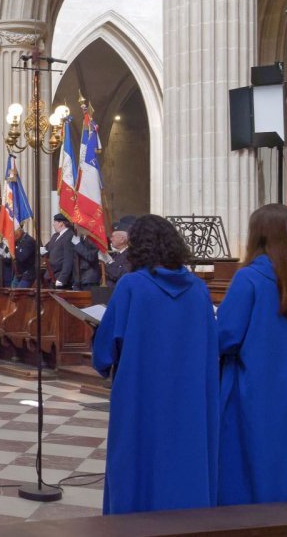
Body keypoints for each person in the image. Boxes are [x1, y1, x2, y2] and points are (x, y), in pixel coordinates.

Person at [92, 214, 218, 515]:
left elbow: (106, 349)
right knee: (184, 459)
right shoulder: (199, 290)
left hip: (140, 394)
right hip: (189, 394)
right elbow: (212, 342)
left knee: (136, 460)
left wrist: (102, 356)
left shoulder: (132, 286)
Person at [217, 203, 287, 506]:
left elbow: (225, 336)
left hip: (254, 388)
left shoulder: (248, 279)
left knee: (248, 462)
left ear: (257, 236)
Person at [43, 214, 77, 289]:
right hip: (50, 274)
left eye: (55, 222)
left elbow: (68, 259)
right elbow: (47, 249)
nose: (53, 224)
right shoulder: (55, 236)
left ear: (61, 223)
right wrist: (42, 250)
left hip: (59, 276)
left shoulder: (69, 235)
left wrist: (62, 278)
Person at [104, 215, 135, 288]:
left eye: (113, 236)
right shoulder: (116, 254)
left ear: (122, 239)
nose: (111, 239)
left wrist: (109, 261)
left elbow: (120, 274)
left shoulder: (130, 255)